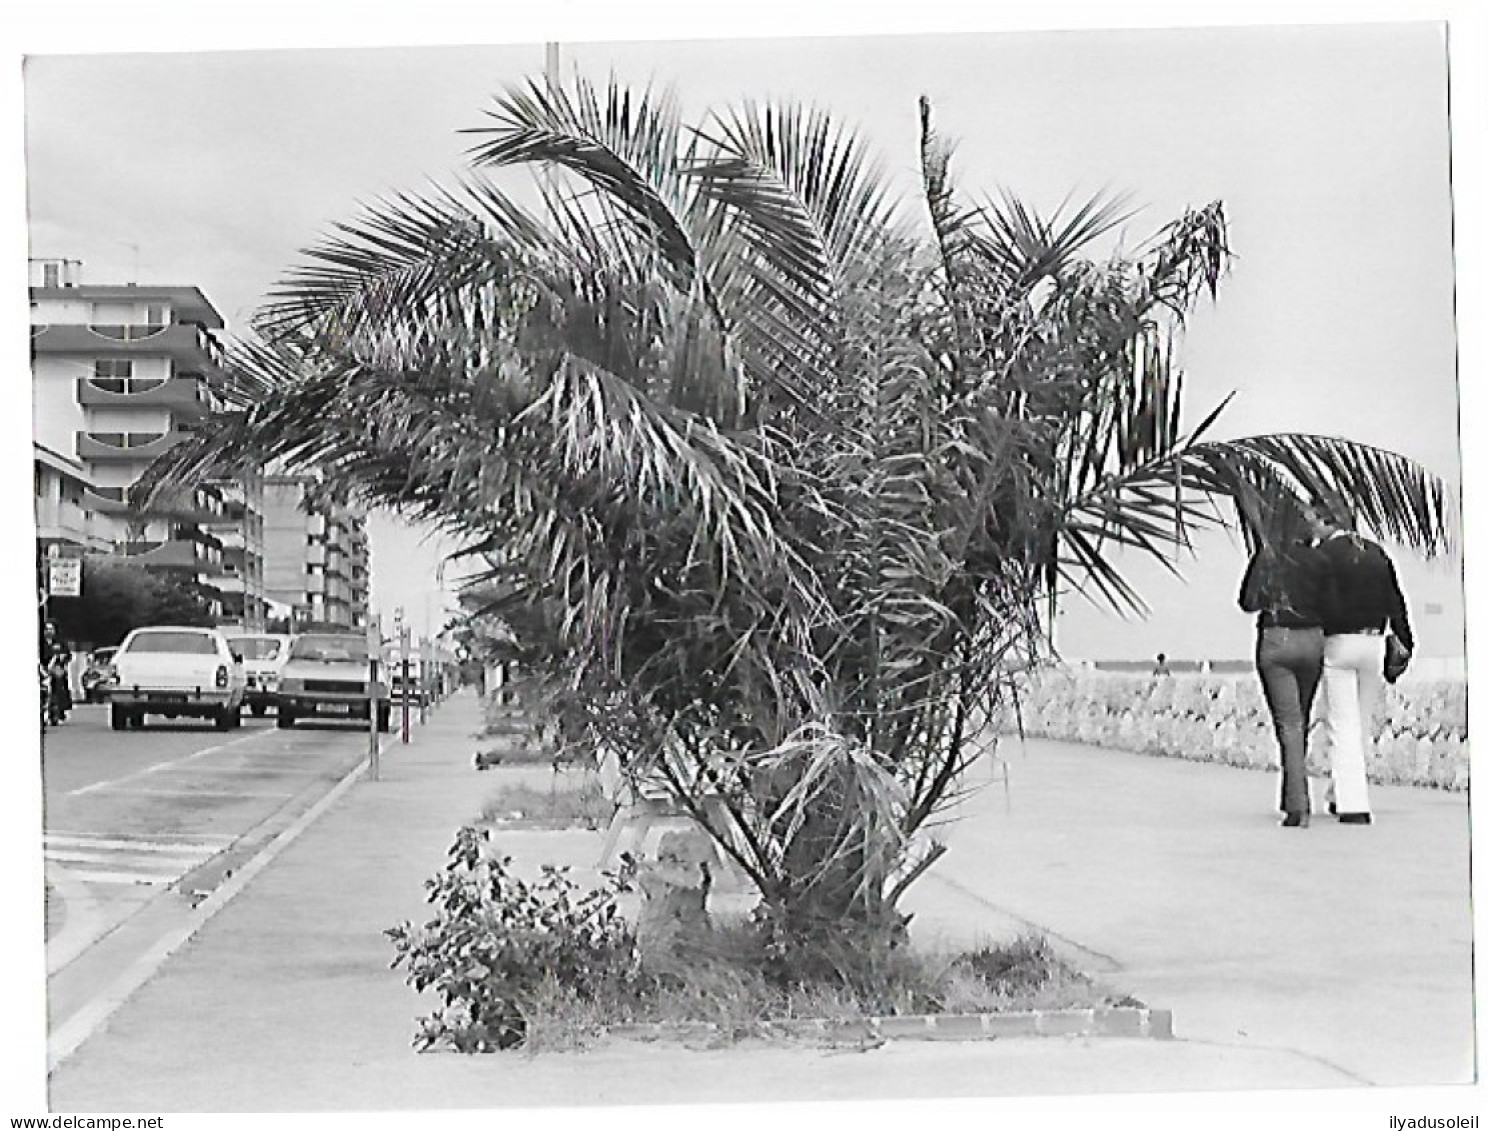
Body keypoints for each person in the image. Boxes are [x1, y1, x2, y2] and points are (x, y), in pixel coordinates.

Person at [1310, 503, 1415, 825]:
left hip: (1338, 643)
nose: (1311, 529)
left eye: (1313, 521)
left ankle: (1353, 804)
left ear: (1329, 521)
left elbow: (1316, 602)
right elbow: (1396, 600)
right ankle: (1338, 792)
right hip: (1373, 642)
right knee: (1360, 722)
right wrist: (1405, 642)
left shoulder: (1324, 555)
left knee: (1341, 723)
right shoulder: (1375, 553)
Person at [1238, 505, 1327, 827]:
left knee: (1288, 724)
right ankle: (1292, 794)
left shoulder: (1268, 557)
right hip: (1314, 641)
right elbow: (1333, 604)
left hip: (1277, 639)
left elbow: (1247, 602)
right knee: (1300, 721)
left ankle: (1297, 803)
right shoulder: (1321, 560)